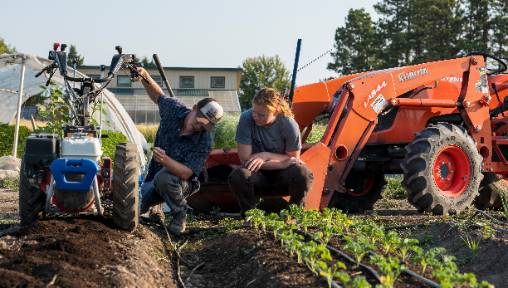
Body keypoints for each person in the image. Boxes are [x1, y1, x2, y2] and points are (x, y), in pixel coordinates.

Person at [133, 67, 224, 235]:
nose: (200, 126)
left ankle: (180, 213)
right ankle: (155, 209)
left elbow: (188, 173)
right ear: (195, 107)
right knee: (135, 206)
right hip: (153, 178)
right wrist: (145, 76)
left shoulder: (204, 140)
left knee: (165, 177)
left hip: (181, 184)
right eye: (200, 120)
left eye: (206, 125)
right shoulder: (174, 109)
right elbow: (158, 96)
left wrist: (165, 160)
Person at [228, 88, 313, 216]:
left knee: (303, 173)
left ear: (276, 112)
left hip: (283, 176)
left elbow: (293, 160)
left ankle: (294, 215)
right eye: (254, 111)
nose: (255, 116)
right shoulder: (246, 118)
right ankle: (250, 215)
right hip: (257, 174)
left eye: (261, 115)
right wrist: (280, 163)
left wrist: (265, 156)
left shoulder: (289, 124)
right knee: (239, 175)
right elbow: (246, 160)